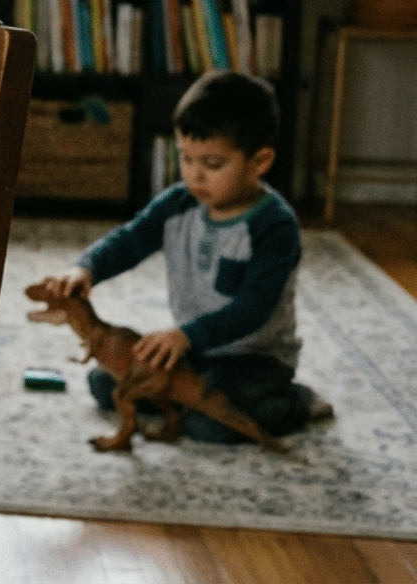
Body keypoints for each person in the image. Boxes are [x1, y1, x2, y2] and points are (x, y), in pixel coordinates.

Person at [37, 69, 330, 443]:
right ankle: (183, 401)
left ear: (260, 161)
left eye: (213, 165)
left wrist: (185, 336)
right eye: (186, 158)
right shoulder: (178, 203)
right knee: (105, 383)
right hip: (194, 349)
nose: (195, 175)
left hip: (255, 360)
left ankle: (297, 401)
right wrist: (86, 268)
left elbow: (252, 309)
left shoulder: (274, 227)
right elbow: (131, 239)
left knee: (208, 424)